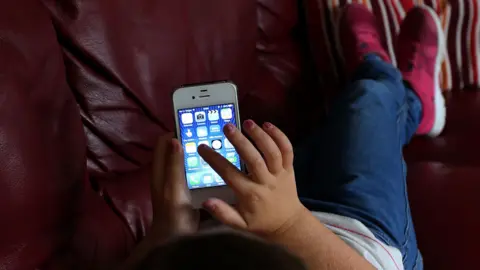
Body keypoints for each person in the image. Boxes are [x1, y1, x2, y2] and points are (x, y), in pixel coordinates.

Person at [121, 4, 445, 270]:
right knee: (369, 98)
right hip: (356, 237)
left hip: (266, 204)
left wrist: (168, 235)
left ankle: (382, 80)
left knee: (319, 133)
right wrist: (287, 224)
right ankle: (404, 89)